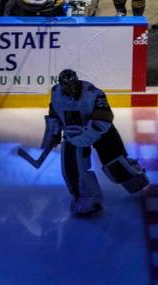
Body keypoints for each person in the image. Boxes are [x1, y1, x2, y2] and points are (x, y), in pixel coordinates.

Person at [40, 69, 148, 216]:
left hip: (100, 131)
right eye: (67, 87)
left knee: (114, 162)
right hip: (72, 134)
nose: (71, 89)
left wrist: (84, 137)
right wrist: (53, 134)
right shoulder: (56, 93)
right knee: (72, 168)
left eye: (73, 85)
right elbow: (54, 114)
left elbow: (104, 119)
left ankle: (134, 178)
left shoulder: (93, 93)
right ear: (61, 85)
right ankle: (87, 199)